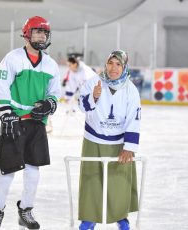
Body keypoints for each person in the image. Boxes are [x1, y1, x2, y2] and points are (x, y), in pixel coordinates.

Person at [0, 16, 60, 230]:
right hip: (14, 121)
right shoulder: (12, 58)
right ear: (27, 33)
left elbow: (54, 92)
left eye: (44, 33)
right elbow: (2, 86)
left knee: (32, 172)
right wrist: (6, 113)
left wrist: (50, 104)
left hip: (37, 124)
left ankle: (26, 210)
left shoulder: (50, 64)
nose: (41, 36)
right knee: (6, 171)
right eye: (37, 32)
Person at [77, 50, 141, 230]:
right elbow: (82, 107)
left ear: (124, 67)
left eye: (118, 64)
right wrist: (94, 97)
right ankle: (89, 218)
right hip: (93, 140)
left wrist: (129, 147)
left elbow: (133, 119)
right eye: (111, 63)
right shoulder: (93, 82)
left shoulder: (131, 90)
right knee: (92, 180)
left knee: (119, 182)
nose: (113, 68)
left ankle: (121, 217)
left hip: (118, 144)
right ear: (106, 64)